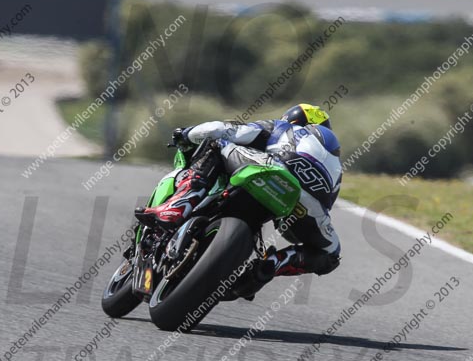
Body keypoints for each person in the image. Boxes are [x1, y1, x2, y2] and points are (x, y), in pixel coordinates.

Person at [135, 103, 342, 297]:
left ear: (293, 119)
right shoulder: (336, 164)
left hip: (272, 168)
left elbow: (223, 130)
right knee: (331, 255)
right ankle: (272, 264)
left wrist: (187, 134)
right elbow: (327, 205)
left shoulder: (283, 127)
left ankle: (179, 206)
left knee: (216, 143)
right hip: (305, 204)